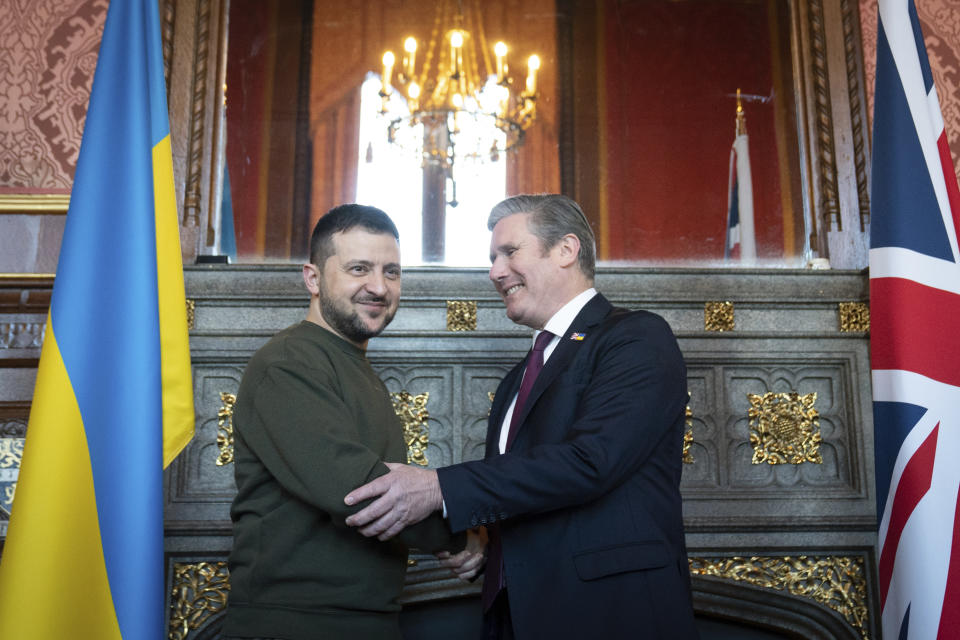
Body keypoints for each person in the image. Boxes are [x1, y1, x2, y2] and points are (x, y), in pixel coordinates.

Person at [343, 194, 699, 639]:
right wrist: (484, 542)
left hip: (611, 613)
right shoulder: (519, 377)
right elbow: (526, 489)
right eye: (493, 258)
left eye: (509, 253)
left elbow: (592, 462)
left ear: (566, 250)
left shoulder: (636, 338)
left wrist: (439, 488)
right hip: (517, 612)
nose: (494, 271)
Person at [222, 204, 482, 640]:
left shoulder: (352, 365)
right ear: (313, 278)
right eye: (359, 268)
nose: (379, 287)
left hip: (364, 619)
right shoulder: (287, 365)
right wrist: (461, 539)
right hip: (295, 623)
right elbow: (359, 491)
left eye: (392, 272)